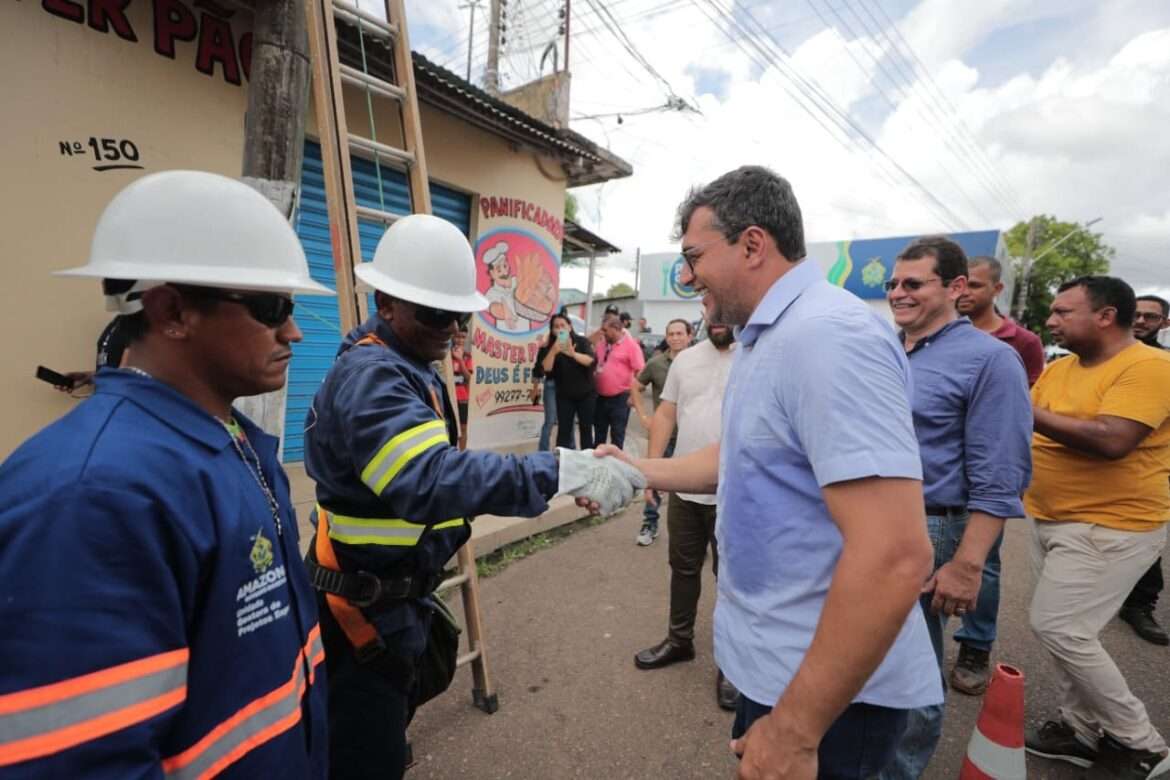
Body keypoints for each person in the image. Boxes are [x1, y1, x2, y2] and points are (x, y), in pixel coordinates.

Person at [583, 166, 940, 779]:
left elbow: (895, 555)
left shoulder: (826, 337)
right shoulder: (767, 336)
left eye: (694, 256)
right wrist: (639, 468)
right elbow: (739, 456)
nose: (687, 275)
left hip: (831, 696)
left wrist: (797, 730)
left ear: (752, 244)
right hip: (784, 672)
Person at [0, 171, 334, 776]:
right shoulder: (95, 495)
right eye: (270, 308)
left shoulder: (226, 443)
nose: (294, 331)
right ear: (172, 310)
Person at [302, 214, 642, 780]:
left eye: (459, 313)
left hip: (391, 602)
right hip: (359, 614)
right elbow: (431, 479)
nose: (453, 327)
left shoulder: (409, 364)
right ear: (386, 303)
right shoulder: (373, 378)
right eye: (436, 313)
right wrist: (562, 471)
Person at [881, 236, 1032, 777]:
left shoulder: (991, 361)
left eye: (913, 283)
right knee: (867, 653)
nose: (898, 293)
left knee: (912, 667)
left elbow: (1000, 479)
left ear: (956, 287)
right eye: (893, 283)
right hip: (864, 523)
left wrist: (967, 565)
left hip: (930, 528)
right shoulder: (886, 349)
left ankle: (900, 769)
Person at [1024, 276, 1170, 777]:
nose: (1051, 320)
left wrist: (1024, 409)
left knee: (1060, 627)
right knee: (1072, 631)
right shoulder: (1061, 369)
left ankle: (1142, 743)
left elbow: (1112, 439)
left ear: (1106, 316)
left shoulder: (1151, 367)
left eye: (1063, 312)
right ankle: (1081, 728)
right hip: (1052, 519)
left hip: (1112, 526)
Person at [947, 254, 1046, 696]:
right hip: (935, 478)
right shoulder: (932, 336)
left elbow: (1018, 413)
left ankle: (975, 645)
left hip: (985, 473)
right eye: (958, 285)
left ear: (997, 291)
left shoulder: (1019, 342)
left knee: (981, 564)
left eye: (975, 286)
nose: (964, 293)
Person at [633, 319, 739, 713]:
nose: (718, 321)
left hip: (736, 493)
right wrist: (652, 469)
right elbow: (665, 415)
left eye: (725, 314)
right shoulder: (686, 360)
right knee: (682, 566)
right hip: (685, 489)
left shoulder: (755, 355)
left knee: (731, 577)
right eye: (710, 314)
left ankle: (732, 663)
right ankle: (680, 641)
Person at [1118, 294, 1170, 646]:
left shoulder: (1162, 364)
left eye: (1149, 317)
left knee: (1144, 543)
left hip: (1148, 471)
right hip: (1098, 473)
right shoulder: (1102, 356)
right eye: (1135, 315)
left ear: (1164, 323)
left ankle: (1140, 605)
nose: (1140, 322)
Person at [629, 318, 693, 545]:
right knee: (653, 480)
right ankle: (649, 524)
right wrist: (644, 416)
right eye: (671, 334)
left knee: (691, 487)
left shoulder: (700, 361)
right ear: (666, 337)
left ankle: (693, 535)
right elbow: (636, 386)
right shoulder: (656, 364)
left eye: (680, 333)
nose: (675, 338)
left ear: (690, 336)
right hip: (663, 436)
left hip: (692, 436)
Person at [535, 313, 597, 449]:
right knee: (563, 432)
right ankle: (562, 463)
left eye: (563, 325)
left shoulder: (581, 341)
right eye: (556, 327)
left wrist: (573, 354)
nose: (560, 329)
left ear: (570, 327)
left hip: (586, 394)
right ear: (552, 330)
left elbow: (591, 361)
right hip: (565, 396)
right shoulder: (551, 346)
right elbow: (546, 368)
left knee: (586, 431)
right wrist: (554, 351)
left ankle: (586, 464)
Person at [593, 312, 644, 449]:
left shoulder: (631, 346)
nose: (602, 333)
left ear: (616, 329)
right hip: (600, 398)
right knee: (599, 435)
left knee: (617, 435)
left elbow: (641, 372)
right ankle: (598, 466)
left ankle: (616, 467)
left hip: (620, 398)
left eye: (605, 330)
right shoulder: (602, 344)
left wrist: (635, 396)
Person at [450, 326, 473, 450]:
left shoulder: (467, 357)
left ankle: (462, 454)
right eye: (457, 336)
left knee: (463, 428)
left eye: (463, 337)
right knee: (450, 427)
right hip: (448, 396)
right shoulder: (446, 355)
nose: (459, 340)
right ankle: (450, 453)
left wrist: (460, 360)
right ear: (453, 336)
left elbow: (468, 377)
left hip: (462, 397)